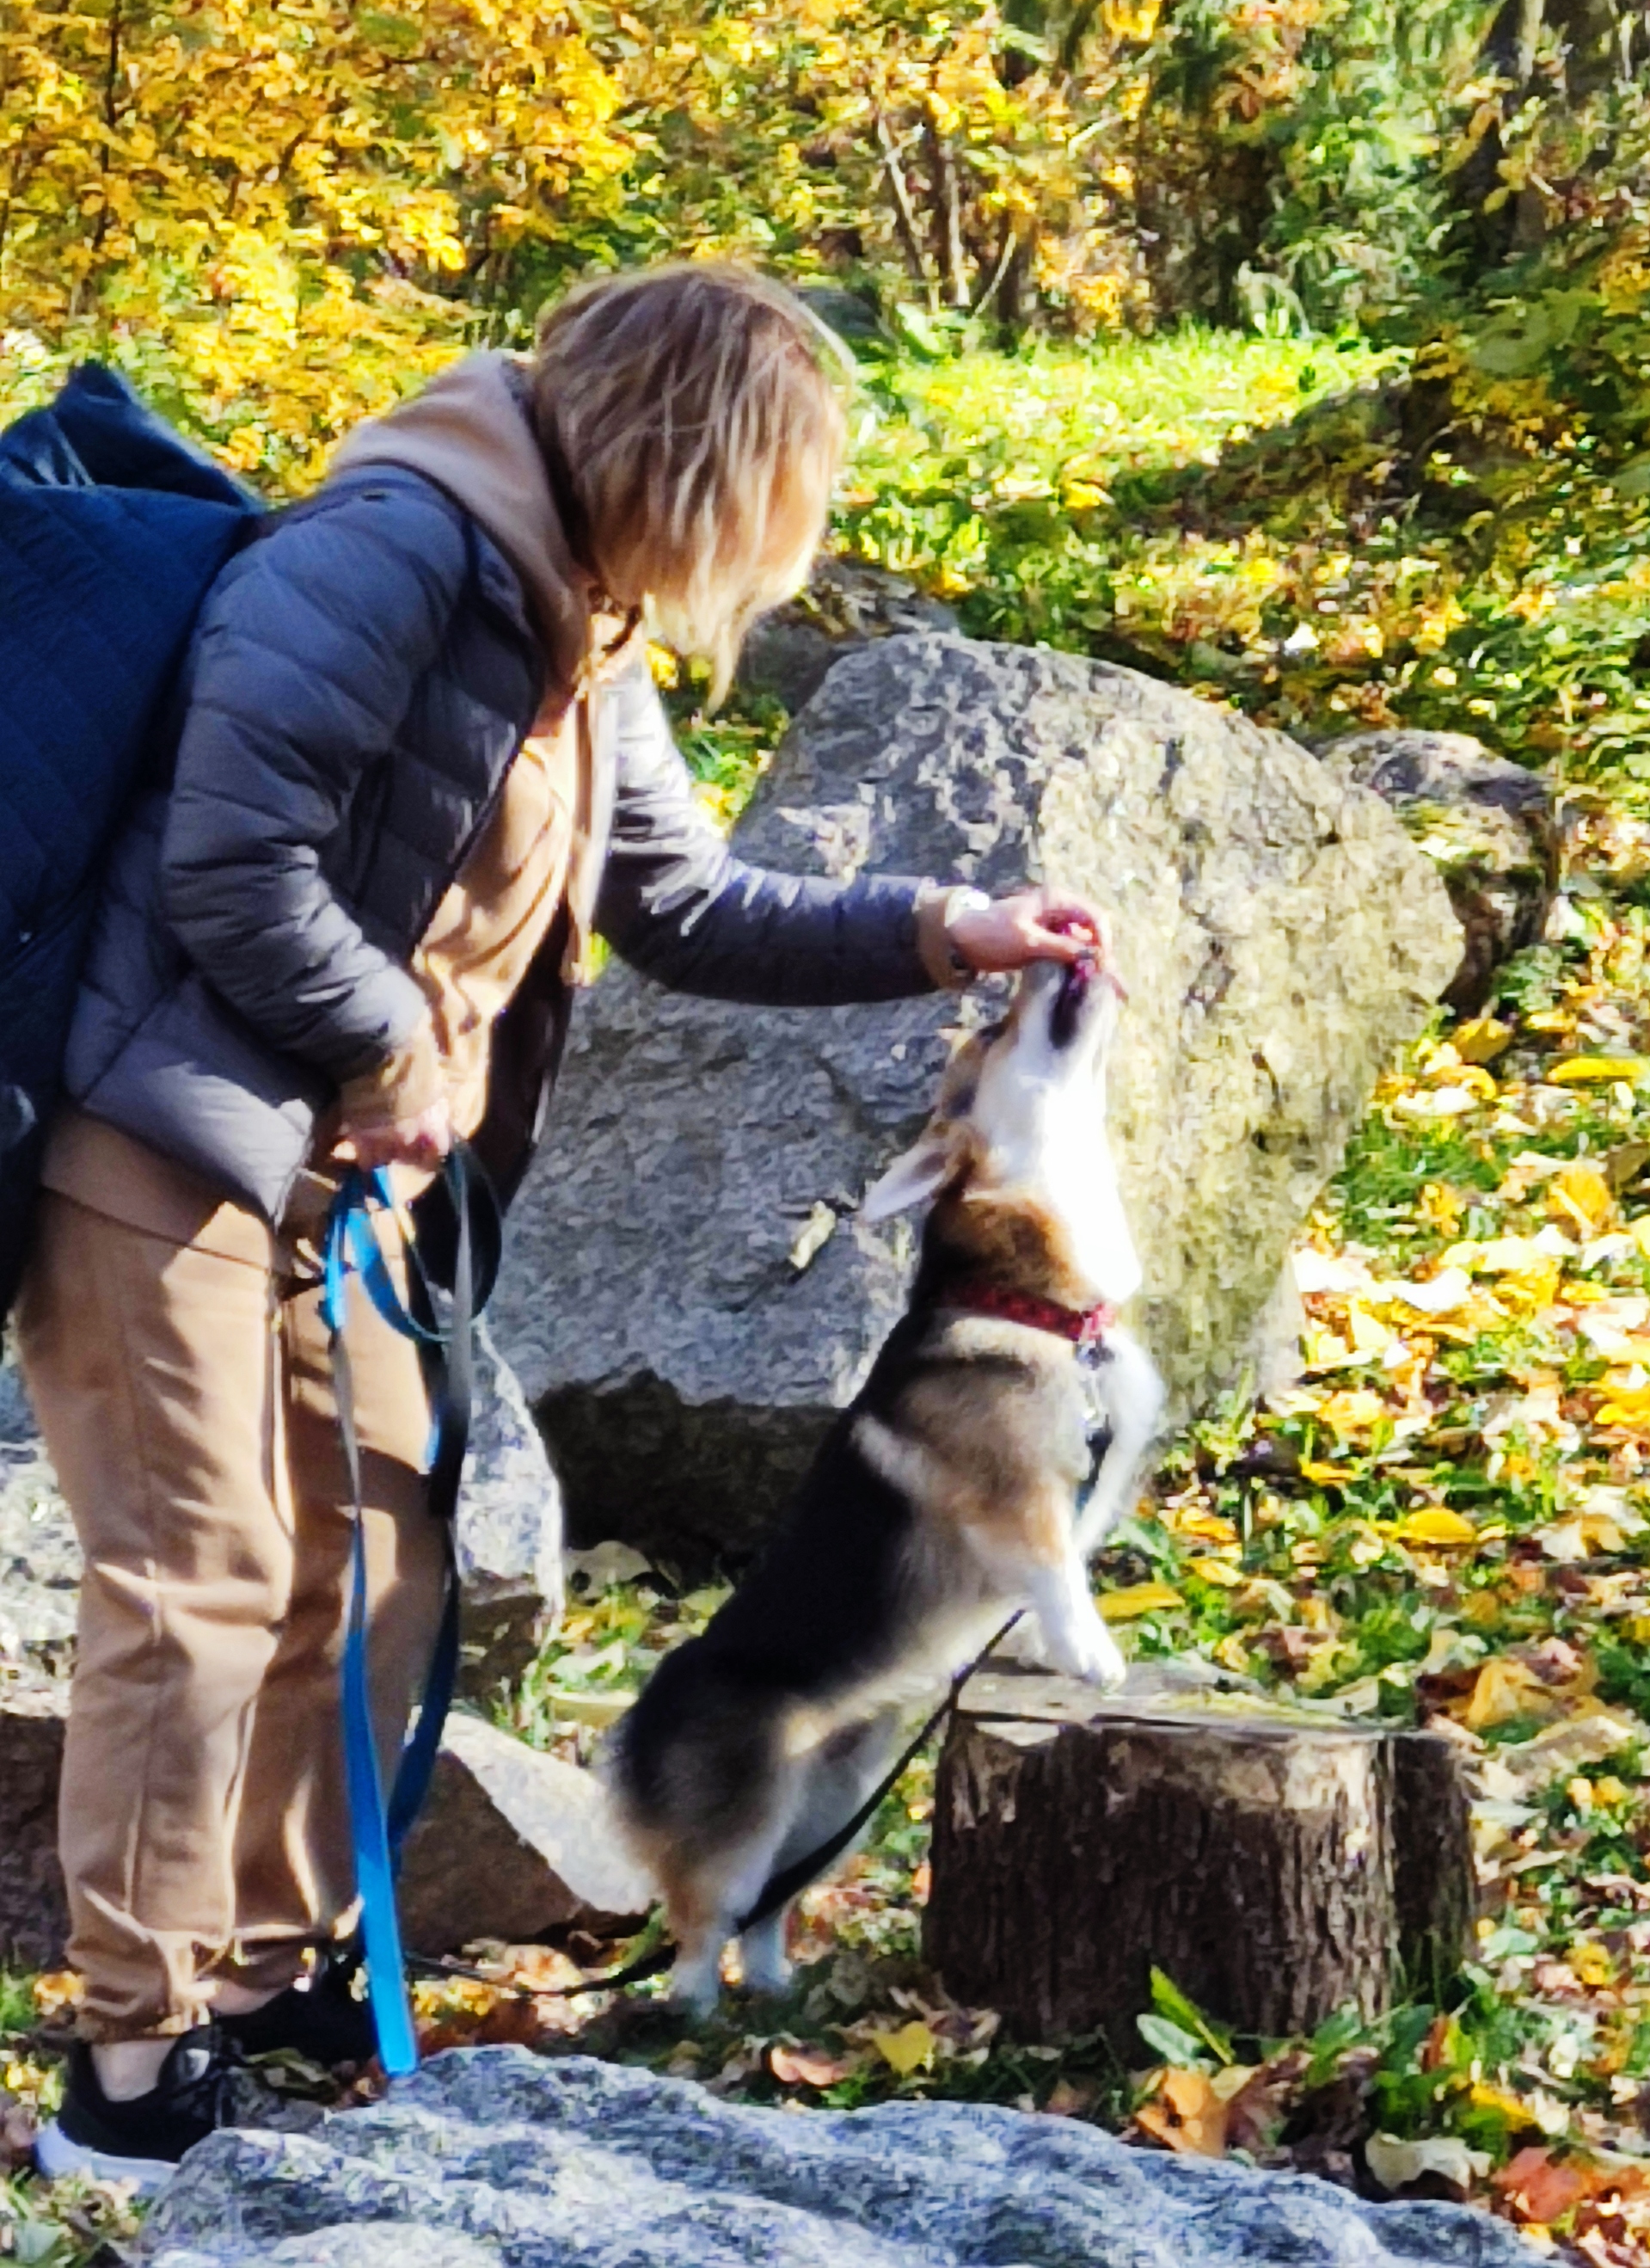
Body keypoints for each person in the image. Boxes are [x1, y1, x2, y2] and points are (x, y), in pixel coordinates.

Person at [15, 262, 1105, 2184]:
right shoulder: (389, 557)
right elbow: (225, 861)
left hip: (337, 1174)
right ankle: (127, 2060)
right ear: (684, 456)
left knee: (370, 1559)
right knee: (195, 1584)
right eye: (768, 500)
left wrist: (949, 927)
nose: (764, 554)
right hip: (161, 1139)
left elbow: (684, 903)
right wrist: (383, 1048)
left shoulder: (577, 626)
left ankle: (262, 1970)